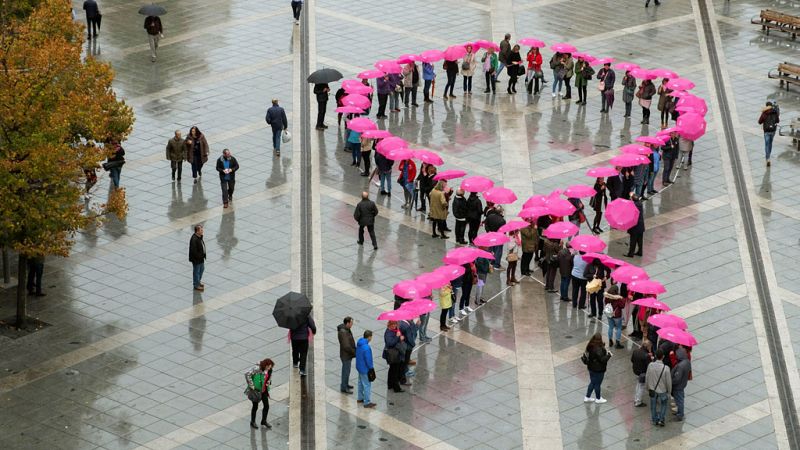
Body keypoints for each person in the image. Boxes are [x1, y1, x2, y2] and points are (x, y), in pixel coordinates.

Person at [582, 332, 611, 403]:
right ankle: (598, 398)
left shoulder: (590, 345)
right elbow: (602, 360)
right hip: (598, 369)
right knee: (597, 384)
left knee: (592, 382)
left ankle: (587, 397)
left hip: (591, 368)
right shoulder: (598, 349)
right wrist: (609, 355)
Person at [245, 359, 274, 429]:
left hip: (264, 390)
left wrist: (269, 382)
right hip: (256, 391)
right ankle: (253, 421)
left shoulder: (269, 370)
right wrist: (251, 385)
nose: (270, 368)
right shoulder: (257, 369)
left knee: (266, 406)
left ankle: (264, 421)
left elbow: (269, 377)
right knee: (255, 406)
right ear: (265, 365)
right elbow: (247, 374)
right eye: (269, 366)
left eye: (271, 366)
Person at [646, 349, 672, 426]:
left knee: (653, 405)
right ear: (663, 357)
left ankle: (654, 420)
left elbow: (647, 377)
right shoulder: (666, 368)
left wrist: (647, 387)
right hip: (662, 390)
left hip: (652, 389)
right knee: (664, 404)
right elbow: (668, 382)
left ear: (656, 356)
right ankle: (661, 419)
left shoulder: (650, 365)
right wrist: (669, 392)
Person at [383, 321, 406, 392]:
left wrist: (400, 337)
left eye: (395, 324)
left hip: (395, 353)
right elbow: (390, 343)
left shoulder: (394, 330)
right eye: (393, 325)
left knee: (392, 370)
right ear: (389, 325)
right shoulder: (388, 333)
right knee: (395, 371)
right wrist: (397, 337)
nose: (394, 326)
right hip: (393, 354)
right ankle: (396, 388)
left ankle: (390, 384)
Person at [356, 330, 376, 408]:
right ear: (369, 337)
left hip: (359, 367)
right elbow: (368, 360)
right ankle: (367, 402)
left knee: (360, 383)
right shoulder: (367, 347)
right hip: (365, 369)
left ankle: (360, 398)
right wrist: (371, 368)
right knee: (367, 385)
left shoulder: (359, 343)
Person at [671, 347, 691, 421]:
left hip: (678, 386)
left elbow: (677, 378)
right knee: (680, 399)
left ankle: (680, 415)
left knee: (679, 400)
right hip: (683, 383)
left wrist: (671, 382)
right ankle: (680, 413)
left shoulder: (680, 366)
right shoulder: (687, 362)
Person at [631, 340, 653, 407]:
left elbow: (632, 360)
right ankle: (638, 401)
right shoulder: (646, 356)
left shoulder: (635, 351)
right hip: (642, 373)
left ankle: (636, 398)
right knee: (641, 386)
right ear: (648, 347)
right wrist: (651, 358)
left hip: (636, 371)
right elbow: (649, 365)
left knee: (638, 385)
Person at [758, 101, 780, 166]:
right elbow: (778, 121)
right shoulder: (775, 112)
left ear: (766, 106)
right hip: (773, 130)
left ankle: (768, 158)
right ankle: (768, 156)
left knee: (767, 144)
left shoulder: (764, 113)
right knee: (770, 143)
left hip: (766, 131)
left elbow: (759, 122)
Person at [337, 317, 356, 394]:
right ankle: (344, 388)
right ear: (347, 323)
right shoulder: (343, 332)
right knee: (346, 371)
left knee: (347, 371)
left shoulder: (346, 329)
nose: (352, 324)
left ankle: (346, 384)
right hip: (346, 355)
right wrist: (354, 352)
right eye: (351, 323)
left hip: (347, 355)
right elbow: (346, 346)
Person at [189, 224, 206, 291]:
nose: (202, 231)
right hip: (197, 259)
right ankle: (196, 284)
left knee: (201, 269)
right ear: (197, 231)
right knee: (196, 271)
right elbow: (194, 251)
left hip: (200, 259)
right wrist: (200, 256)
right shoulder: (194, 239)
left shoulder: (199, 237)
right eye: (201, 230)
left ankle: (198, 281)